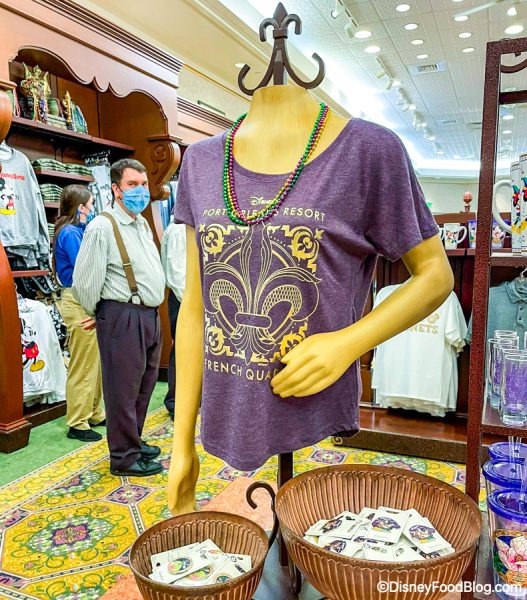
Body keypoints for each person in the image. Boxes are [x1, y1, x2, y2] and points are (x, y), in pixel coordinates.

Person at [72, 159, 166, 477]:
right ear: (116, 189)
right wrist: (100, 313)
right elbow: (85, 281)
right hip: (123, 316)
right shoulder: (102, 226)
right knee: (122, 391)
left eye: (144, 184)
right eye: (132, 185)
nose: (141, 191)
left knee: (143, 386)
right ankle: (124, 457)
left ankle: (133, 441)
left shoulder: (140, 223)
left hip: (148, 315)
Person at [54, 184, 105, 442]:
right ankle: (77, 421)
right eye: (91, 204)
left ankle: (94, 412)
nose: (93, 208)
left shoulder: (76, 230)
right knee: (83, 362)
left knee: (94, 360)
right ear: (81, 207)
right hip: (77, 299)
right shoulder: (71, 233)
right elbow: (84, 267)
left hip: (83, 298)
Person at [160, 218, 186, 419]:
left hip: (188, 298)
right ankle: (175, 402)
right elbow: (177, 274)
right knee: (182, 349)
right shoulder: (178, 230)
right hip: (182, 299)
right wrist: (190, 303)